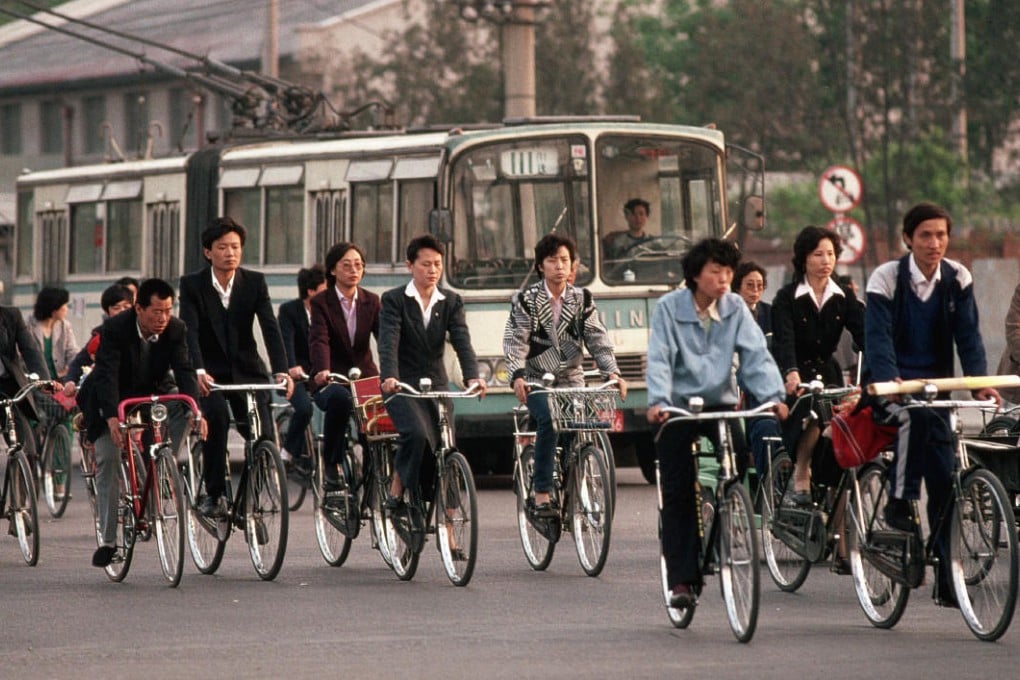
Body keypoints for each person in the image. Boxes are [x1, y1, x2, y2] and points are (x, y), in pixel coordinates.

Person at [864, 201, 999, 607]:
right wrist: (892, 382)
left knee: (946, 483)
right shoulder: (886, 279)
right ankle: (899, 503)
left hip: (935, 392)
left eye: (941, 235)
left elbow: (969, 336)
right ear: (908, 239)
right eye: (925, 235)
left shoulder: (957, 277)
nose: (934, 243)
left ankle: (946, 577)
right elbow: (878, 339)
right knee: (912, 420)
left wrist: (978, 383)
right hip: (890, 393)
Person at [646, 238, 787, 608]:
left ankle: (727, 512)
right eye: (715, 272)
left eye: (728, 272)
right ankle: (681, 580)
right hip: (676, 408)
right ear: (695, 275)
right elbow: (659, 358)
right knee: (677, 492)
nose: (724, 279)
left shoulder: (736, 307)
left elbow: (755, 354)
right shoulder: (668, 308)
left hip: (720, 403)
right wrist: (659, 400)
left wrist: (772, 396)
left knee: (738, 463)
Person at [77, 278, 205, 568]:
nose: (162, 318)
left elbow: (184, 369)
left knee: (181, 406)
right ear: (138, 308)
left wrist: (195, 411)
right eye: (156, 311)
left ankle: (162, 460)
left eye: (168, 310)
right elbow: (107, 374)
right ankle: (108, 540)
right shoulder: (115, 328)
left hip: (151, 390)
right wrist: (111, 417)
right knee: (109, 457)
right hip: (109, 397)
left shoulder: (176, 329)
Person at [503, 233, 628, 515]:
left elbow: (597, 338)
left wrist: (613, 372)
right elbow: (515, 341)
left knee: (579, 423)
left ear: (572, 265)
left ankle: (574, 475)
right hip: (536, 379)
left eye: (564, 260)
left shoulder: (582, 298)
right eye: (552, 260)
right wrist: (517, 375)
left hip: (572, 378)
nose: (559, 266)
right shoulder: (526, 300)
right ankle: (542, 492)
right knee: (549, 420)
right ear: (540, 266)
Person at [179, 217, 293, 518]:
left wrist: (281, 369)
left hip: (248, 370)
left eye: (236, 247)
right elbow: (189, 331)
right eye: (222, 247)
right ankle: (214, 494)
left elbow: (270, 327)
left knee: (263, 434)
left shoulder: (254, 282)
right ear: (208, 252)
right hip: (210, 374)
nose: (230, 253)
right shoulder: (192, 285)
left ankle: (251, 496)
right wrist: (198, 370)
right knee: (215, 417)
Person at [379, 234, 487, 508]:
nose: (433, 270)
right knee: (416, 434)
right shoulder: (394, 300)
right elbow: (388, 341)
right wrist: (389, 376)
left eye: (437, 264)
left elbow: (462, 341)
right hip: (403, 385)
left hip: (437, 384)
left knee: (446, 448)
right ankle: (398, 485)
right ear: (409, 266)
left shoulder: (451, 301)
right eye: (426, 264)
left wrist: (472, 377)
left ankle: (450, 530)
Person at [771, 226, 864, 504]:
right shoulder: (786, 298)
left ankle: (831, 479)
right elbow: (784, 341)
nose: (826, 261)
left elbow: (866, 333)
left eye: (831, 254)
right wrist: (791, 372)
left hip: (828, 371)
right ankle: (801, 470)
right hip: (796, 374)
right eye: (818, 254)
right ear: (803, 259)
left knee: (847, 412)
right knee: (813, 409)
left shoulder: (843, 296)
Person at [309, 242, 381, 498]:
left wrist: (393, 372)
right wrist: (323, 369)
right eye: (346, 265)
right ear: (332, 270)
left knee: (377, 427)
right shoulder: (321, 302)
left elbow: (384, 339)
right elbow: (320, 339)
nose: (354, 270)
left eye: (359, 265)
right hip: (331, 378)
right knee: (339, 399)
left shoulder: (372, 301)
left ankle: (378, 475)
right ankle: (332, 464)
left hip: (364, 377)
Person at [277, 264, 327, 473]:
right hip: (295, 375)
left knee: (338, 403)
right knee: (304, 408)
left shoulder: (328, 312)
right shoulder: (289, 311)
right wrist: (290, 367)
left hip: (318, 373)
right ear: (311, 291)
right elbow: (284, 342)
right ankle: (288, 451)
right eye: (325, 290)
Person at [0, 304, 52, 463]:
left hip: (7, 384)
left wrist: (44, 380)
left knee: (26, 445)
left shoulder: (10, 315)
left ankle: (25, 481)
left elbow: (30, 349)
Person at [64, 283, 135, 391]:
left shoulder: (142, 331)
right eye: (116, 308)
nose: (122, 311)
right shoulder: (101, 334)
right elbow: (80, 362)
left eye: (126, 307)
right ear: (107, 311)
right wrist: (70, 381)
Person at [27, 288, 79, 422]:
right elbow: (22, 356)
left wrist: (74, 367)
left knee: (67, 415)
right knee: (36, 419)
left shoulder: (64, 326)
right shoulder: (29, 327)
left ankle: (64, 441)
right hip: (36, 383)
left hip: (59, 382)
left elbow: (73, 352)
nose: (66, 309)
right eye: (64, 306)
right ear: (54, 309)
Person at [733, 260, 772, 347]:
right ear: (737, 287)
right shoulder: (729, 312)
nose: (755, 290)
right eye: (750, 285)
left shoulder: (770, 312)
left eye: (759, 285)